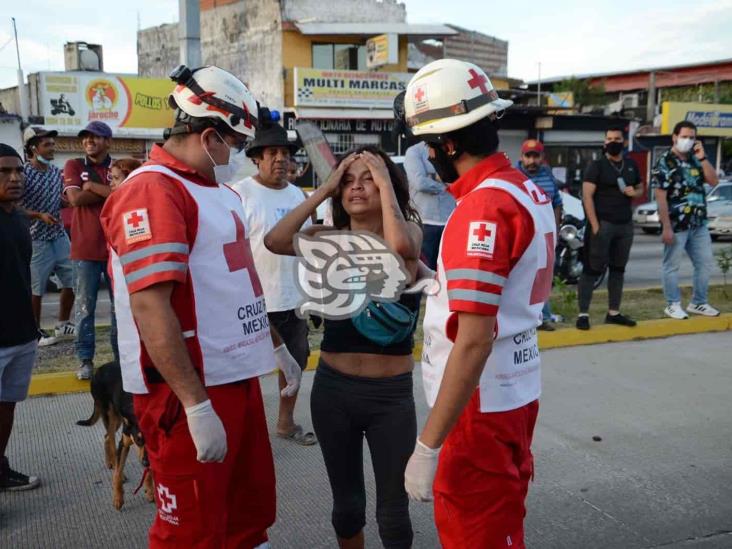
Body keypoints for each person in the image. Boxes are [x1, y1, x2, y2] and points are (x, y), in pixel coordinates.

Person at [100, 64, 300, 549]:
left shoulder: (218, 192)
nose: (237, 156)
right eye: (233, 144)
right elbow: (150, 307)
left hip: (236, 377)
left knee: (247, 517)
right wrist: (195, 405)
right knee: (189, 531)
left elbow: (236, 289)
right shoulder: (153, 190)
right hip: (189, 390)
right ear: (210, 135)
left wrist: (276, 349)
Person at [399, 59, 553, 549]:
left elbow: (473, 341)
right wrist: (434, 282)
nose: (429, 157)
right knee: (503, 521)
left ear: (448, 144)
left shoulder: (482, 207)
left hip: (477, 404)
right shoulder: (522, 189)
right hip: (513, 388)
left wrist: (428, 445)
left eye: (429, 146)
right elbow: (501, 288)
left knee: (477, 532)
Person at [265, 145, 423, 549]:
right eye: (348, 182)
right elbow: (275, 240)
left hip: (391, 398)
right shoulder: (327, 238)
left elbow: (402, 249)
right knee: (347, 506)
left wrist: (385, 178)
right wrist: (323, 189)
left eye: (366, 179)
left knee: (393, 510)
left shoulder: (410, 236)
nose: (357, 188)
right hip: (335, 393)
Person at [230, 123, 316, 446]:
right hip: (254, 301)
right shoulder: (240, 194)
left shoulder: (298, 196)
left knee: (295, 362)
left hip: (292, 297)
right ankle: (243, 431)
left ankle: (285, 422)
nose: (280, 159)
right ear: (257, 158)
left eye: (285, 153)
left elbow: (307, 245)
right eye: (272, 153)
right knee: (244, 369)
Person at [63, 121, 119, 379]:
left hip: (116, 248)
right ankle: (85, 360)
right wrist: (111, 192)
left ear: (108, 141)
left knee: (120, 308)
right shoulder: (74, 165)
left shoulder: (117, 167)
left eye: (95, 137)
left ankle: (121, 359)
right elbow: (74, 199)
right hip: (84, 249)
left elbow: (127, 194)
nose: (89, 141)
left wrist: (92, 188)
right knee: (85, 309)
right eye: (86, 137)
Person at [0, 143, 41, 491]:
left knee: (7, 408)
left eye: (18, 171)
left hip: (21, 334)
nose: (14, 178)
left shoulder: (17, 216)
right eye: (4, 172)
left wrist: (32, 328)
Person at [576, 126, 643, 330]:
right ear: (605, 142)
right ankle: (583, 314)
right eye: (609, 138)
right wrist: (595, 225)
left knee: (618, 269)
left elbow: (641, 187)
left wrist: (635, 192)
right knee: (592, 269)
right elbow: (587, 196)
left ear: (624, 141)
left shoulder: (630, 164)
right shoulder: (596, 166)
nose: (613, 142)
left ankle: (613, 312)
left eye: (617, 138)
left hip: (625, 226)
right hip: (603, 224)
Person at [653, 120, 720, 319]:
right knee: (671, 265)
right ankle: (672, 304)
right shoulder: (665, 161)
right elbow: (660, 196)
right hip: (677, 223)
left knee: (705, 263)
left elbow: (714, 181)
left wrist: (703, 157)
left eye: (692, 137)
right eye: (684, 136)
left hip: (698, 222)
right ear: (674, 137)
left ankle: (698, 302)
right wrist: (666, 226)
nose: (688, 141)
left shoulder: (695, 159)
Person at [21, 127, 75, 346]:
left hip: (59, 235)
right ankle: (35, 331)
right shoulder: (23, 174)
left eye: (53, 144)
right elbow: (15, 209)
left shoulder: (55, 172)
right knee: (37, 289)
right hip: (36, 240)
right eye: (47, 144)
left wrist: (67, 202)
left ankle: (63, 325)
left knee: (72, 281)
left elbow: (56, 198)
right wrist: (38, 216)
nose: (53, 148)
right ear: (34, 148)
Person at [516, 138, 562, 331]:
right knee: (521, 277)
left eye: (536, 156)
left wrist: (556, 229)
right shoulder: (514, 176)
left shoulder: (548, 176)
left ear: (542, 157)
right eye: (528, 156)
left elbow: (557, 203)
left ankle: (543, 317)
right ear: (522, 157)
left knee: (542, 277)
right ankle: (521, 318)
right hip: (522, 235)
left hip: (544, 236)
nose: (532, 161)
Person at [404, 141, 455, 270]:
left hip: (449, 221)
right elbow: (420, 183)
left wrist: (437, 180)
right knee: (425, 272)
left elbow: (459, 178)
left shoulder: (451, 148)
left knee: (445, 270)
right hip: (424, 222)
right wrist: (446, 186)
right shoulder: (415, 152)